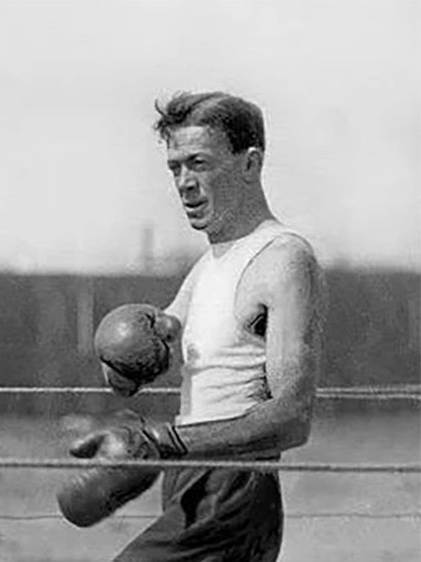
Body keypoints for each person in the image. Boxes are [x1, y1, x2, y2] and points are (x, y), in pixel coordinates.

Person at [57, 91, 325, 561]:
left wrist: (163, 441)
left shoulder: (283, 258)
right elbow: (129, 374)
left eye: (198, 162)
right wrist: (121, 361)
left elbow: (292, 418)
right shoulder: (209, 265)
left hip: (233, 490)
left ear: (250, 163)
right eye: (174, 167)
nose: (184, 182)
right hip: (191, 482)